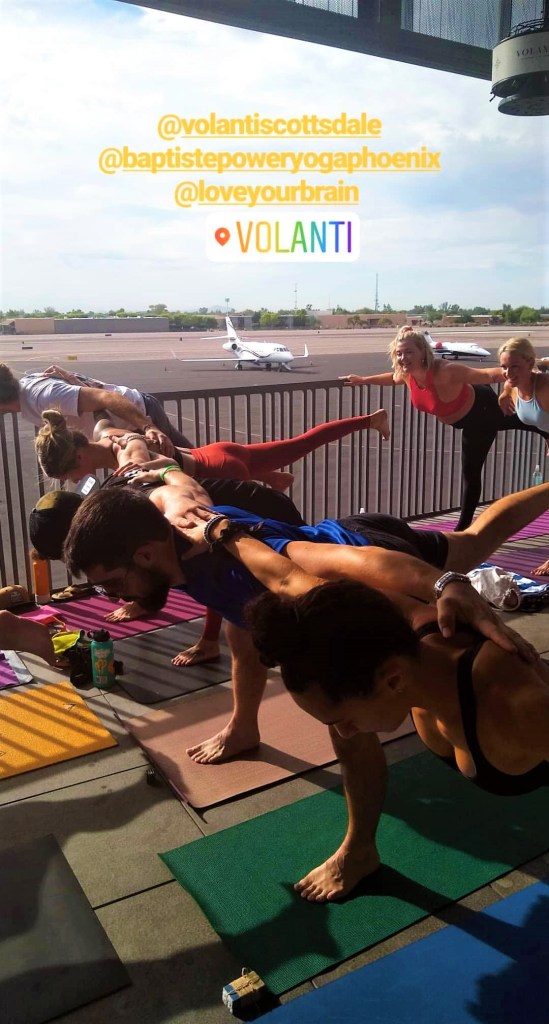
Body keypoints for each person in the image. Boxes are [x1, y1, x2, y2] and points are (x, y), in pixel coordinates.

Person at [62, 482, 549, 899]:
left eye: (112, 583)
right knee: (320, 692)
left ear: (145, 555)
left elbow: (312, 573)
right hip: (326, 562)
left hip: (361, 558)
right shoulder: (174, 535)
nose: (113, 596)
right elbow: (171, 489)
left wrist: (445, 583)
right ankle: (255, 739)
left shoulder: (245, 564)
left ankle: (358, 850)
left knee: (470, 545)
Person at [339, 327, 549, 531]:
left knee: (471, 471)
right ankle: (543, 430)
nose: (403, 358)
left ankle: (462, 530)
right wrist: (363, 380)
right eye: (399, 353)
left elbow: (489, 374)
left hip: (480, 413)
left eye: (409, 352)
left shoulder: (445, 371)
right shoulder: (407, 374)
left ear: (423, 352)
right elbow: (392, 379)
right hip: (469, 417)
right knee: (516, 422)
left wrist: (518, 377)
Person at [34, 407, 390, 490]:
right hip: (218, 452)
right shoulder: (103, 432)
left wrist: (143, 469)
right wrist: (73, 381)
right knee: (302, 443)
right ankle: (370, 420)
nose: (72, 481)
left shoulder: (130, 457)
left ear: (78, 456)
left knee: (218, 554)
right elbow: (101, 406)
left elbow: (145, 464)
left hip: (221, 473)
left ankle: (208, 640)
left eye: (68, 475)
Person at [0, 362, 191, 455]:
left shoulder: (42, 396)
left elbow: (106, 397)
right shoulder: (27, 393)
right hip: (125, 430)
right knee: (194, 459)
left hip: (138, 418)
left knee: (186, 467)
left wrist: (148, 427)